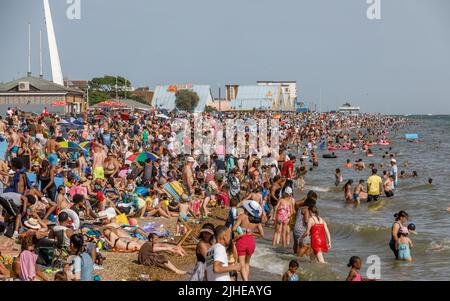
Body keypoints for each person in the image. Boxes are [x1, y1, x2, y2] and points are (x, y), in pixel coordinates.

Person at [232, 200, 264, 281]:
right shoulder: (257, 220)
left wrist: (241, 230)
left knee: (241, 265)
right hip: (251, 242)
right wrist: (252, 233)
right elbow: (262, 234)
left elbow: (233, 228)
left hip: (242, 241)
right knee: (247, 263)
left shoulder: (242, 216)